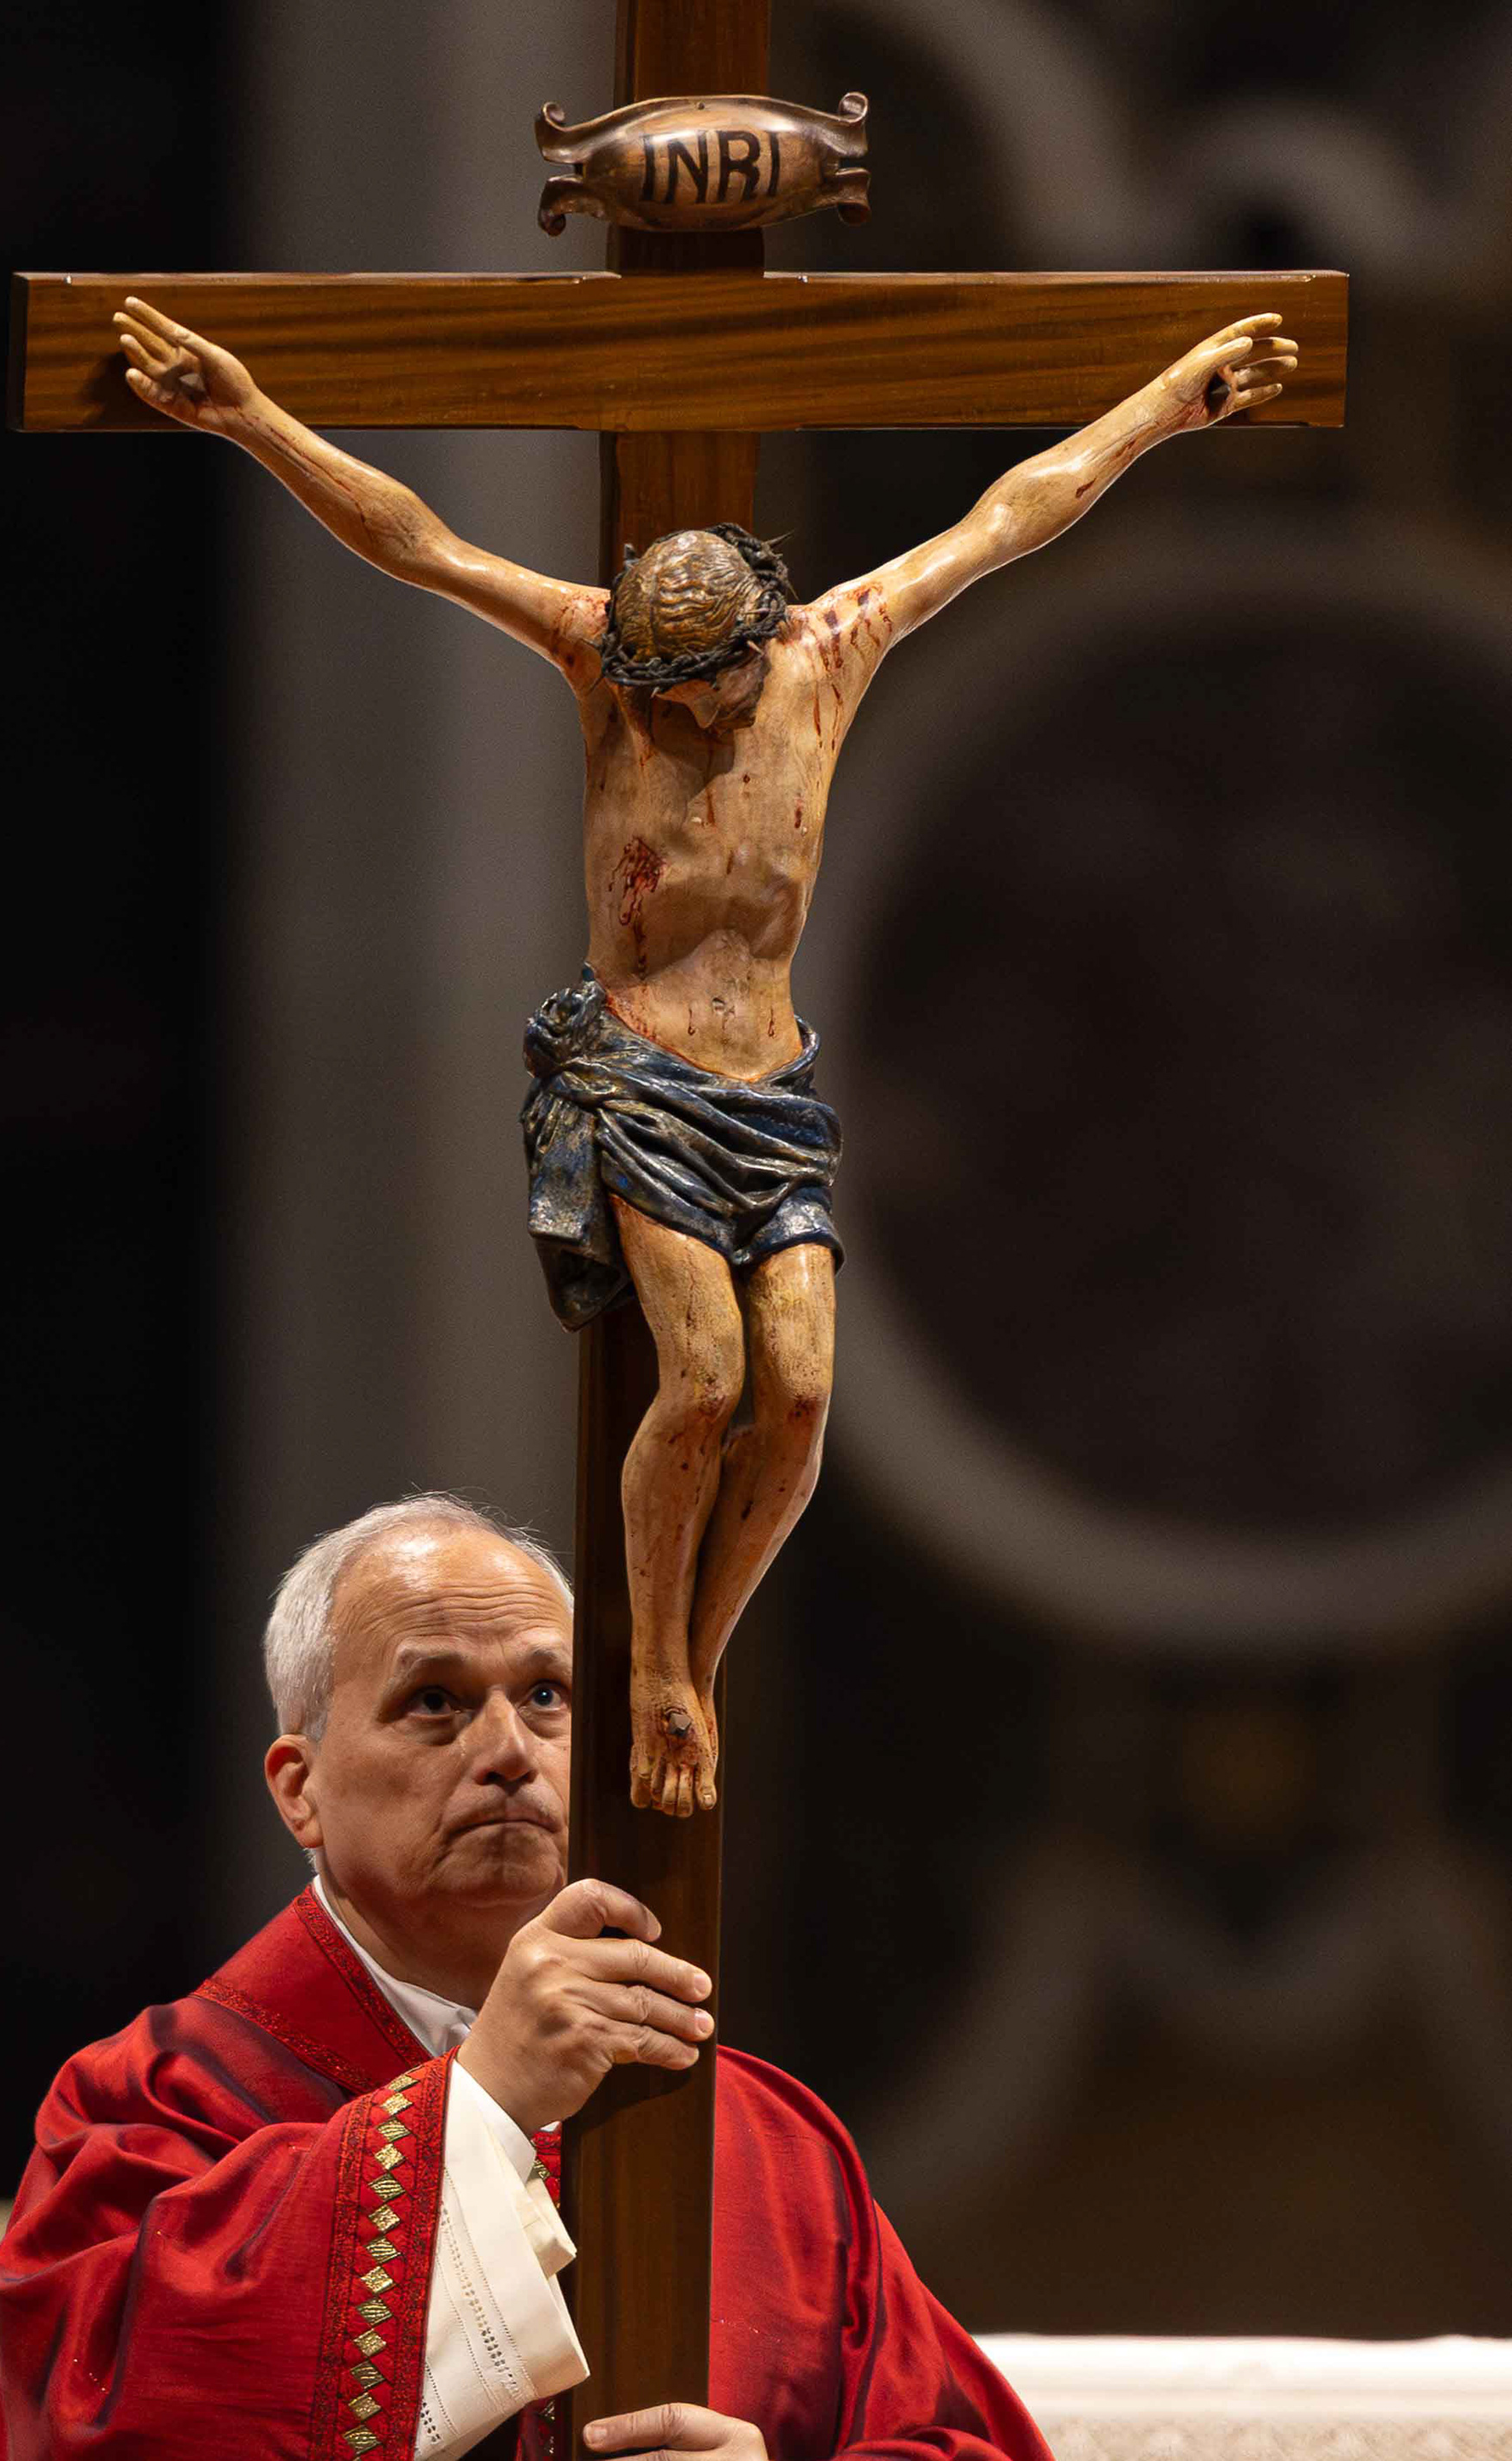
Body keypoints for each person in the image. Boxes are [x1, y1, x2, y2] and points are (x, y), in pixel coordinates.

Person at [110, 299, 1298, 1821]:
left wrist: (1163, 410)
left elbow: (1010, 519)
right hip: (638, 1079)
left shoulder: (830, 653)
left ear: (755, 644)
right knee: (702, 1381)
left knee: (796, 1396)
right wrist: (250, 417)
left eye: (702, 687)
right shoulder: (606, 656)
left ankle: (699, 1657)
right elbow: (419, 542)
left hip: (774, 1095)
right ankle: (652, 1664)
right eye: (658, 686)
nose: (675, 710)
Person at [0, 1494, 1052, 2461]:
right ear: (299, 1789)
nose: (508, 1749)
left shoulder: (766, 2143)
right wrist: (481, 2100)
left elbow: (962, 2445)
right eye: (436, 1700)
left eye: (548, 1694)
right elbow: (104, 2425)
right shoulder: (151, 2104)